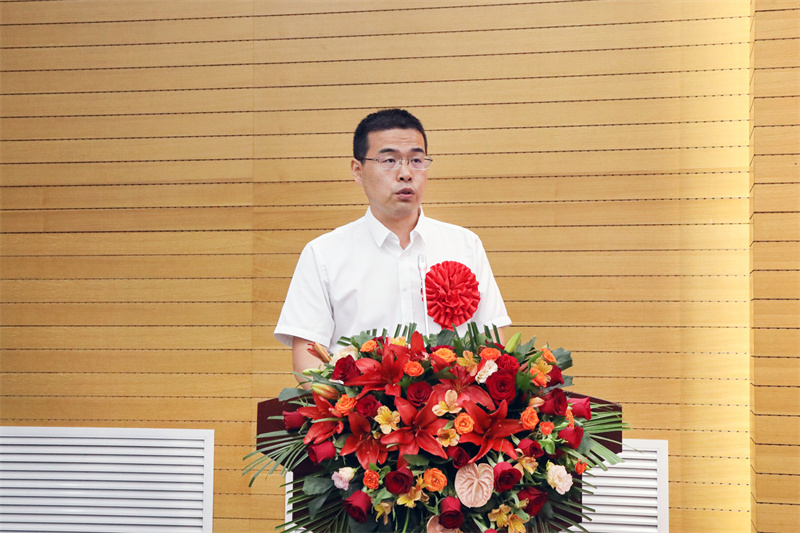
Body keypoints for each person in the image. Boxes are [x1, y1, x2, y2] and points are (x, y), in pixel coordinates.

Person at [275, 109, 511, 379]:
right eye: (389, 160)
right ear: (358, 170)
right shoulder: (323, 254)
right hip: (357, 404)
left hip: (453, 403)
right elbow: (308, 362)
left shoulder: (464, 245)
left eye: (416, 160)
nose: (406, 173)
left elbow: (493, 345)